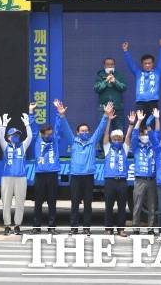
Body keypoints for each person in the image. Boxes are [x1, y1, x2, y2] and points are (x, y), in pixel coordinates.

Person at [59, 100, 112, 236]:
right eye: (82, 131)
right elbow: (65, 129)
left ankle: (86, 227)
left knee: (88, 204)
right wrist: (62, 116)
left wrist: (106, 115)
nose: (85, 132)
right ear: (77, 133)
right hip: (76, 177)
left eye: (86, 131)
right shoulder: (74, 141)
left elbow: (100, 129)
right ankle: (74, 227)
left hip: (88, 177)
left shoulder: (92, 142)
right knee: (75, 203)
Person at [0, 112, 33, 235]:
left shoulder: (23, 146)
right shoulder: (5, 145)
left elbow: (30, 137)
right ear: (9, 136)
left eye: (18, 134)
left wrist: (27, 124)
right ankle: (7, 225)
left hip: (21, 177)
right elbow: (0, 137)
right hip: (7, 177)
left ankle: (17, 225)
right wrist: (3, 125)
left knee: (20, 202)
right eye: (14, 134)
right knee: (6, 202)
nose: (16, 136)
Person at [31, 102, 61, 234]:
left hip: (53, 174)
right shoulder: (37, 139)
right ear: (42, 134)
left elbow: (58, 127)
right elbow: (33, 127)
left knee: (52, 202)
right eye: (46, 134)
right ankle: (36, 227)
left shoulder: (54, 140)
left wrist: (59, 113)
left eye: (50, 133)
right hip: (40, 174)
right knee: (38, 202)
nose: (48, 136)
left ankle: (52, 227)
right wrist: (31, 112)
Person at [129, 109, 159, 235]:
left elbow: (156, 134)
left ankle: (151, 228)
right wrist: (139, 120)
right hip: (139, 179)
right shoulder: (136, 147)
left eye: (147, 135)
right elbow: (134, 134)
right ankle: (135, 228)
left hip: (152, 179)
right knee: (137, 205)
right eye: (144, 134)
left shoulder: (155, 147)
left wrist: (157, 119)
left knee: (152, 206)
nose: (145, 136)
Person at [102, 109, 129, 237]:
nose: (117, 140)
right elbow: (106, 135)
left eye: (119, 138)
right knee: (109, 206)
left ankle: (121, 229)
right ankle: (108, 228)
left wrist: (131, 124)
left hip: (122, 181)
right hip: (110, 180)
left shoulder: (125, 148)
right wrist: (109, 121)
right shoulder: (107, 148)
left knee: (122, 206)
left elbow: (128, 137)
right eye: (115, 138)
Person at [122, 40, 161, 118]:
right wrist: (125, 51)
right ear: (142, 64)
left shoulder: (157, 72)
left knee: (153, 125)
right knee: (140, 125)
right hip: (140, 103)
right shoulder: (138, 73)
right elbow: (130, 63)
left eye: (149, 63)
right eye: (145, 63)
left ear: (152, 64)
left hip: (153, 102)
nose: (147, 65)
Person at [94, 57, 127, 132]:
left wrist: (115, 81)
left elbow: (123, 88)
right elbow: (97, 89)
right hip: (104, 108)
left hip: (117, 108)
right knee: (102, 130)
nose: (110, 66)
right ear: (104, 65)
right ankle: (102, 144)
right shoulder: (99, 75)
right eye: (108, 64)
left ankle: (118, 144)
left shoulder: (119, 75)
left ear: (114, 65)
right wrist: (106, 81)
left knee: (119, 131)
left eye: (112, 64)